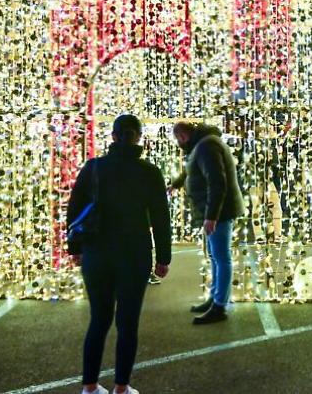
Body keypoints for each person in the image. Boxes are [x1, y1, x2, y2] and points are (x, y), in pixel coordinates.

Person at [67, 114, 172, 394]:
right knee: (128, 322)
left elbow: (74, 208)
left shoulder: (94, 168)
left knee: (98, 320)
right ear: (139, 137)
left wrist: (75, 249)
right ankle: (121, 387)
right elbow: (161, 217)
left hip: (97, 253)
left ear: (113, 137)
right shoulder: (149, 172)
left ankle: (89, 386)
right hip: (134, 253)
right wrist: (164, 257)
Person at [171, 121, 245, 324]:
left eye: (178, 139)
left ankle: (219, 306)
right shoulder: (202, 144)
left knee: (221, 257)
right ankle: (215, 298)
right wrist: (176, 184)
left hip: (219, 212)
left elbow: (216, 181)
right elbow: (191, 170)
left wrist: (212, 215)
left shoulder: (206, 147)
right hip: (215, 211)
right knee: (215, 256)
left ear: (183, 136)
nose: (179, 143)